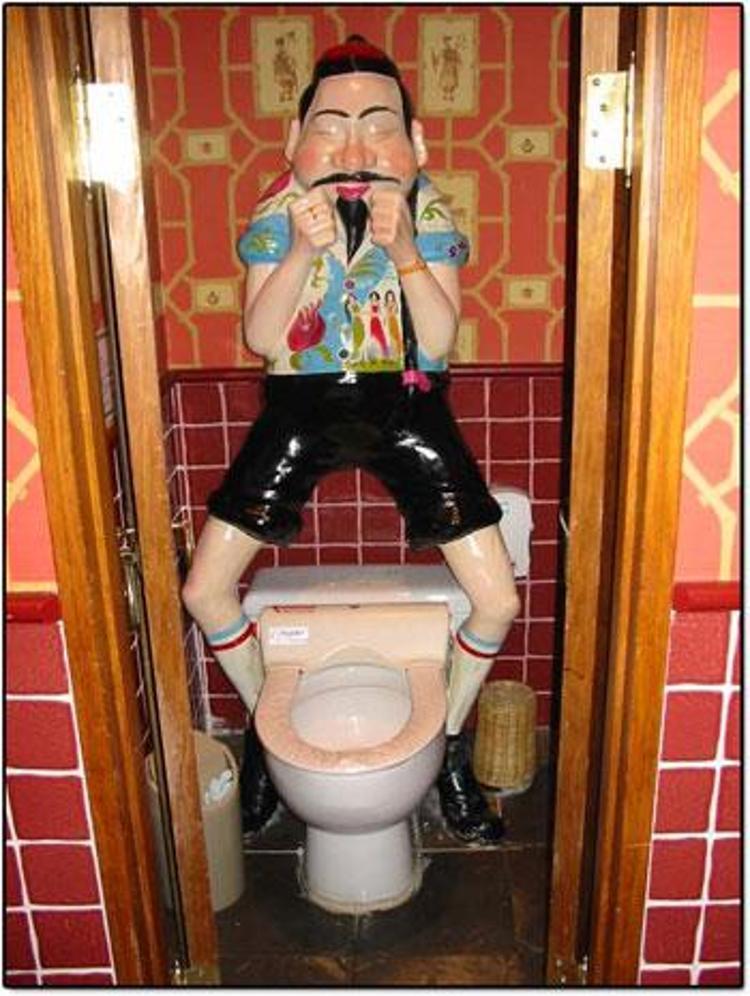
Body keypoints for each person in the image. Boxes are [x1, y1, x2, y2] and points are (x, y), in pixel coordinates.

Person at [182, 35, 520, 845]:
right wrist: (304, 250)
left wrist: (404, 252)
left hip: (407, 406)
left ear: (417, 144)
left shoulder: (428, 215)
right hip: (300, 407)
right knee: (204, 590)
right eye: (330, 128)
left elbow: (438, 336)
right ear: (293, 142)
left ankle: (445, 746)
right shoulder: (277, 217)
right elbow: (264, 336)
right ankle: (268, 742)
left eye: (379, 127)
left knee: (498, 598)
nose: (355, 150)